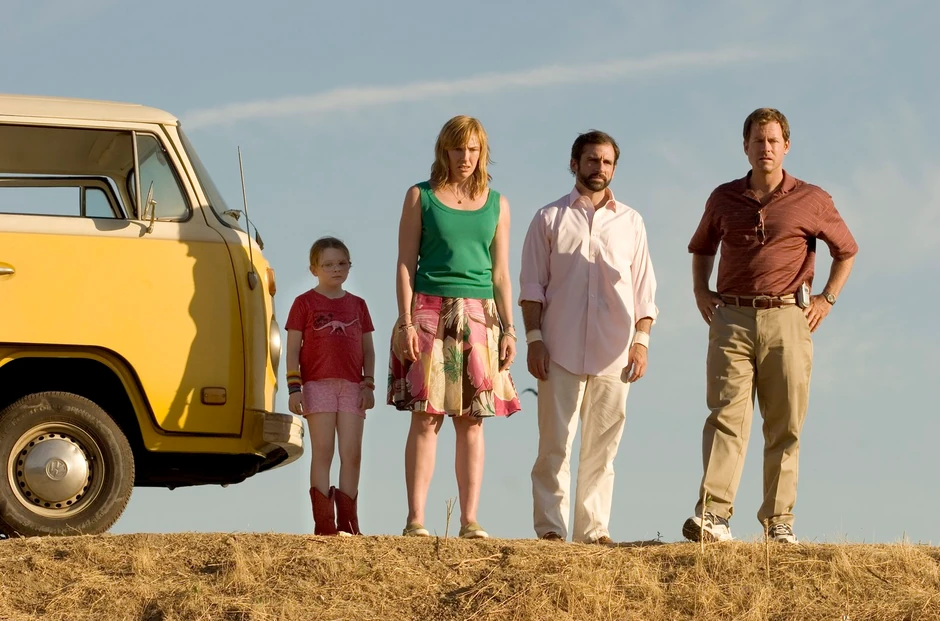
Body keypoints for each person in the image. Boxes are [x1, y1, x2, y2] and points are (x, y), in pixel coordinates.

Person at [682, 108, 858, 544]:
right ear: (745, 146)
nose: (766, 148)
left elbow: (846, 250)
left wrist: (827, 299)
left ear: (786, 146)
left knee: (785, 422)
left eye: (773, 140)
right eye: (758, 140)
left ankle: (779, 522)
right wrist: (701, 290)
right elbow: (702, 247)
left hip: (788, 318)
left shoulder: (812, 198)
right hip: (732, 318)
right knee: (726, 415)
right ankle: (714, 516)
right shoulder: (723, 197)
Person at [519, 130, 659, 545]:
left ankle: (594, 532)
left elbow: (644, 291)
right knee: (554, 445)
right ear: (574, 163)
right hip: (558, 348)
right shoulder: (548, 218)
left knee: (603, 448)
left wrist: (641, 342)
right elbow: (532, 286)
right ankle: (550, 529)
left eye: (607, 162)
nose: (600, 168)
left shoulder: (631, 222)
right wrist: (534, 338)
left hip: (615, 352)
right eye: (592, 160)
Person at [388, 115, 521, 540]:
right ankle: (415, 519)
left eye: (473, 149)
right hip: (428, 310)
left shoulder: (498, 204)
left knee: (473, 420)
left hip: (481, 314)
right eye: (458, 148)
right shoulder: (420, 196)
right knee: (426, 418)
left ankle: (469, 520)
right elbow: (406, 263)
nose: (466, 157)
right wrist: (406, 320)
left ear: (483, 152)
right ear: (444, 150)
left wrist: (510, 329)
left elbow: (501, 274)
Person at [286, 236, 376, 536]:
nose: (336, 269)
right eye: (328, 265)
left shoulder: (358, 305)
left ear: (349, 266)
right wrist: (294, 388)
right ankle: (324, 524)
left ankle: (348, 523)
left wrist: (368, 384)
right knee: (323, 451)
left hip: (352, 387)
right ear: (314, 269)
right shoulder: (303, 303)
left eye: (342, 263)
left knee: (352, 454)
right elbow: (292, 349)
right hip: (317, 385)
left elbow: (368, 350)